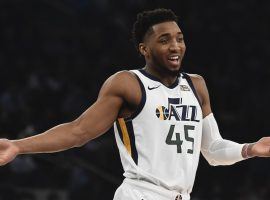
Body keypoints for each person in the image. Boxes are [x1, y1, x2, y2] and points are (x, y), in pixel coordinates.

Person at [0, 8, 270, 200]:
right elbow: (79, 131)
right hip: (141, 194)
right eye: (164, 40)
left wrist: (250, 149)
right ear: (144, 49)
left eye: (179, 38)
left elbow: (212, 150)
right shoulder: (128, 83)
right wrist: (18, 146)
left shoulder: (196, 85)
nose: (175, 46)